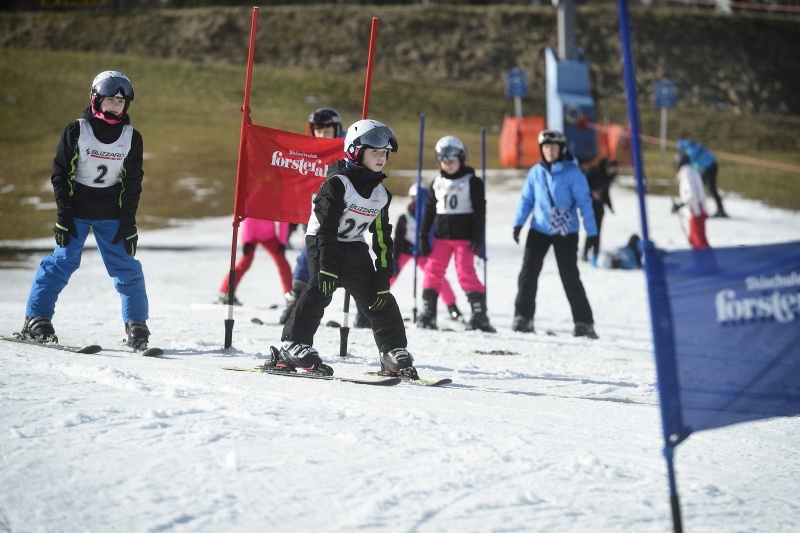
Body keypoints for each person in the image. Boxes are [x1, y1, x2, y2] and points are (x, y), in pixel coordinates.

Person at [276, 119, 419, 379]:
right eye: (375, 151)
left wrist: (384, 274)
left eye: (385, 153)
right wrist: (327, 267)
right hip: (322, 242)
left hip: (354, 247)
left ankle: (392, 351)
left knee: (379, 297)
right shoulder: (337, 184)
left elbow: (382, 237)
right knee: (320, 289)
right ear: (355, 150)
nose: (382, 158)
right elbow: (326, 228)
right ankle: (291, 345)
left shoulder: (381, 195)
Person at [20, 71, 152, 349]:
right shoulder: (77, 130)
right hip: (76, 209)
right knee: (62, 262)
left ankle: (136, 324)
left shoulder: (131, 137)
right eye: (110, 100)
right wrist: (63, 216)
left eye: (121, 101)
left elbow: (132, 183)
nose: (115, 105)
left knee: (127, 268)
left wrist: (129, 223)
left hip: (111, 213)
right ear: (96, 99)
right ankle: (37, 318)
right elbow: (61, 174)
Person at [511, 130, 599, 339]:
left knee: (569, 275)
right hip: (540, 228)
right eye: (546, 147)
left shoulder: (573, 173)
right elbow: (526, 200)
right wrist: (518, 224)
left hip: (566, 231)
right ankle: (523, 317)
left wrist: (592, 232)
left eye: (554, 147)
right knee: (528, 272)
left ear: (562, 149)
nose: (550, 151)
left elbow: (585, 203)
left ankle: (584, 323)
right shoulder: (536, 172)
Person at [415, 136, 495, 333]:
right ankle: (428, 313)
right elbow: (428, 212)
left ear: (461, 158)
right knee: (432, 272)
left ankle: (479, 315)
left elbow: (480, 211)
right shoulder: (437, 182)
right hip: (442, 238)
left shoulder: (472, 181)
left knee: (465, 273)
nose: (448, 164)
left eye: (452, 160)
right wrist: (423, 235)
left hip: (464, 238)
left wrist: (479, 235)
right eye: (443, 160)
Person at [390, 184, 463, 322]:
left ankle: (452, 307)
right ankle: (374, 302)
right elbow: (398, 240)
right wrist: (394, 259)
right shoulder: (404, 218)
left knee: (436, 277)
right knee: (390, 273)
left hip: (423, 252)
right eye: (415, 199)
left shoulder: (431, 217)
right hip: (406, 251)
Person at [214, 217, 292, 305]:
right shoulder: (253, 202)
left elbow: (284, 219)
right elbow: (248, 218)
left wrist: (282, 241)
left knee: (283, 263)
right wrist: (247, 241)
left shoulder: (276, 202)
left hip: (269, 235)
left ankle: (290, 294)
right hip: (251, 235)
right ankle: (225, 292)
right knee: (245, 263)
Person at [676, 138, 727, 218]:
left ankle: (719, 210)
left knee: (710, 189)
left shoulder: (690, 151)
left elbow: (693, 165)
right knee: (701, 188)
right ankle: (703, 208)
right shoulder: (693, 145)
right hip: (710, 166)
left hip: (709, 168)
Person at [581, 158, 618, 262]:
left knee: (598, 231)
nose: (612, 172)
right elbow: (582, 186)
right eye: (611, 169)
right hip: (589, 205)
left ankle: (596, 252)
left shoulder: (607, 177)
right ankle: (585, 253)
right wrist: (592, 193)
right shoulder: (593, 172)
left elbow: (605, 193)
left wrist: (610, 207)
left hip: (599, 207)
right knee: (592, 229)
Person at [672, 151, 711, 249]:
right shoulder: (691, 172)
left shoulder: (687, 174)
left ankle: (707, 262)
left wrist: (681, 204)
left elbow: (692, 194)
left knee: (699, 241)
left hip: (695, 211)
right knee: (694, 239)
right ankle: (701, 261)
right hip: (697, 210)